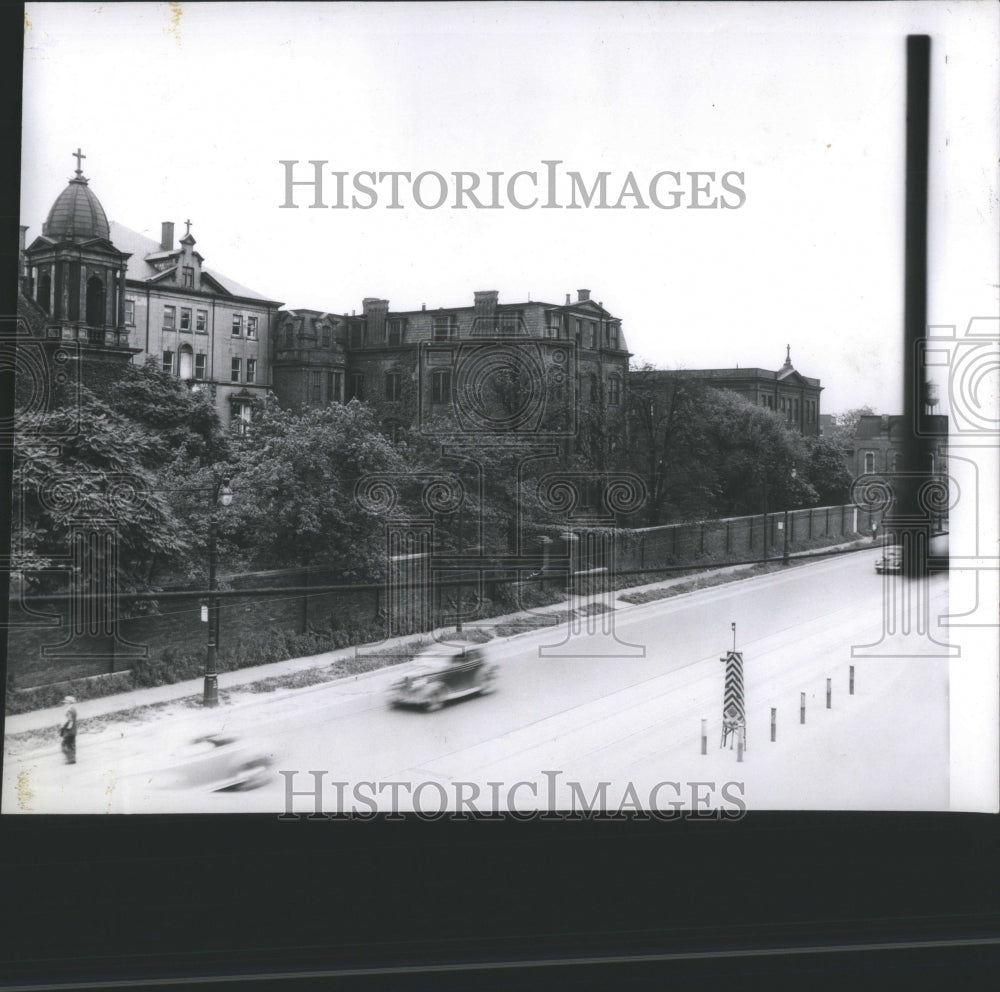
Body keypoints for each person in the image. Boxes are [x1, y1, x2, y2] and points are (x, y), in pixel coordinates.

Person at [59, 696, 77, 764]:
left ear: (69, 703)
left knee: (64, 744)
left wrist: (63, 728)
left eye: (65, 702)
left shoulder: (69, 710)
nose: (64, 704)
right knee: (72, 744)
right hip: (74, 730)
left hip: (69, 731)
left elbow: (69, 721)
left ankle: (69, 759)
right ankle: (72, 758)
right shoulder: (74, 709)